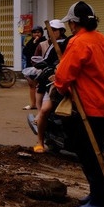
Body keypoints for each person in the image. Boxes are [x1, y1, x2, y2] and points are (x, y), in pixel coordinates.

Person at [53, 1, 104, 207]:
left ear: (74, 24)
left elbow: (63, 76)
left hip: (90, 107)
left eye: (70, 24)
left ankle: (100, 199)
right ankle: (97, 193)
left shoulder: (78, 42)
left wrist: (59, 87)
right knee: (98, 152)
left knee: (88, 153)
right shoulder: (103, 40)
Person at [32, 19, 68, 153]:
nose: (51, 33)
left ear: (62, 31)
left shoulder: (70, 43)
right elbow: (45, 61)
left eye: (54, 30)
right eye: (50, 31)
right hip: (56, 83)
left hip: (74, 83)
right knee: (45, 109)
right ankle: (40, 141)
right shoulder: (53, 46)